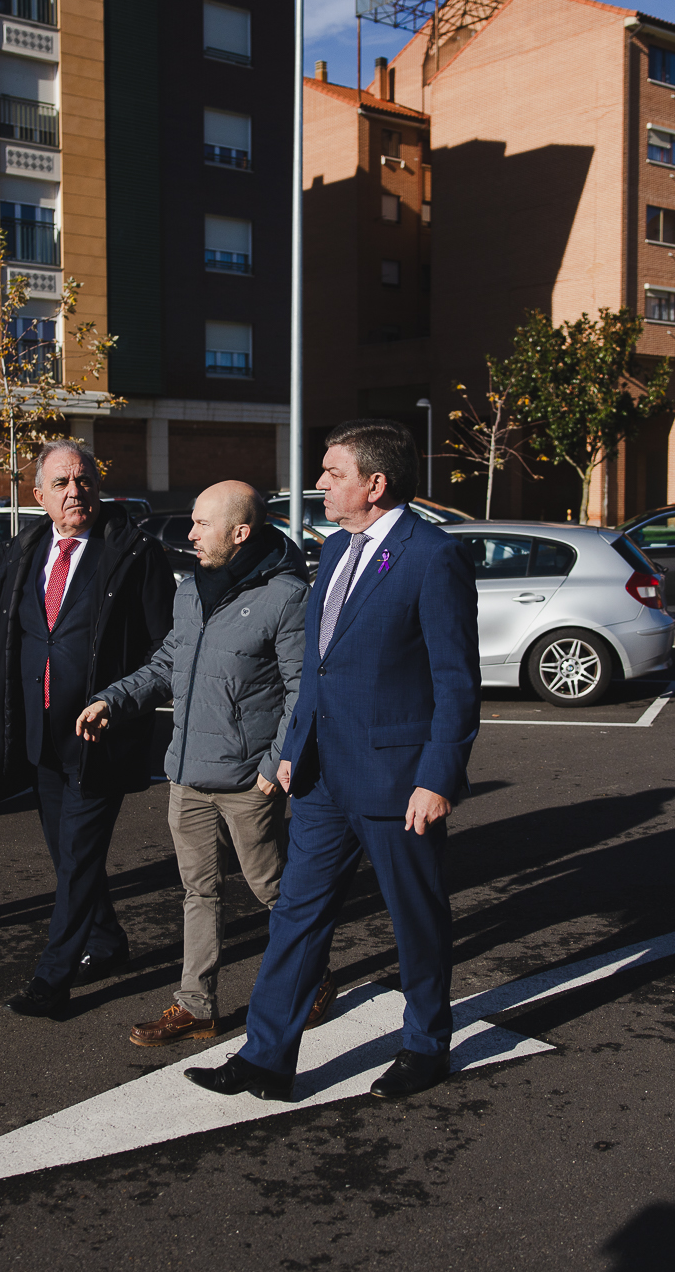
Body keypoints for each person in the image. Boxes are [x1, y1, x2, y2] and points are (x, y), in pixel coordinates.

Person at [186, 419, 479, 1103]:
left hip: (396, 781)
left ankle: (426, 1045)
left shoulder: (430, 556)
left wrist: (438, 777)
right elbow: (318, 667)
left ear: (375, 485)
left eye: (332, 473)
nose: (319, 483)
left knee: (416, 919)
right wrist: (292, 750)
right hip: (321, 777)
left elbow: (455, 679)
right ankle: (265, 1056)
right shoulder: (338, 550)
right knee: (295, 915)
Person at [77, 480, 327, 1046]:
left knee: (272, 888)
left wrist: (275, 763)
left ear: (240, 533)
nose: (189, 534)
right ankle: (196, 1005)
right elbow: (168, 661)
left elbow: (302, 690)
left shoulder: (286, 596)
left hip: (247, 782)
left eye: (200, 524)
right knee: (198, 891)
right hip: (186, 775)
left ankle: (311, 977)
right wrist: (112, 698)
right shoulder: (189, 589)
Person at [0, 440, 175, 1018]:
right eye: (62, 483)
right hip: (41, 734)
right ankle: (108, 940)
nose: (76, 492)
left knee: (81, 856)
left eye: (85, 480)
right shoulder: (24, 550)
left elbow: (165, 643)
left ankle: (53, 978)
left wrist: (123, 702)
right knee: (67, 857)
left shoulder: (134, 552)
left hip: (100, 737)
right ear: (37, 495)